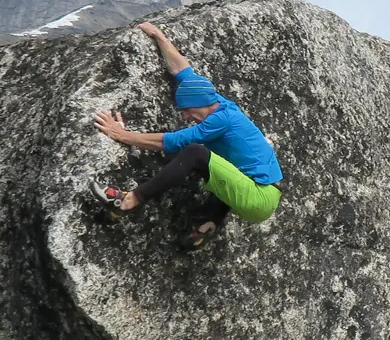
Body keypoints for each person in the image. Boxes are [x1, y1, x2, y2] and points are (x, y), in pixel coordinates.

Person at [91, 21, 282, 248]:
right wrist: (158, 36)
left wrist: (122, 134)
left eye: (188, 112)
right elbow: (182, 71)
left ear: (199, 104)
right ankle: (205, 227)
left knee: (195, 153)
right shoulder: (214, 100)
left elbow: (174, 141)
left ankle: (128, 201)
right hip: (261, 194)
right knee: (223, 165)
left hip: (259, 198)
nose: (186, 117)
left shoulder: (221, 119)